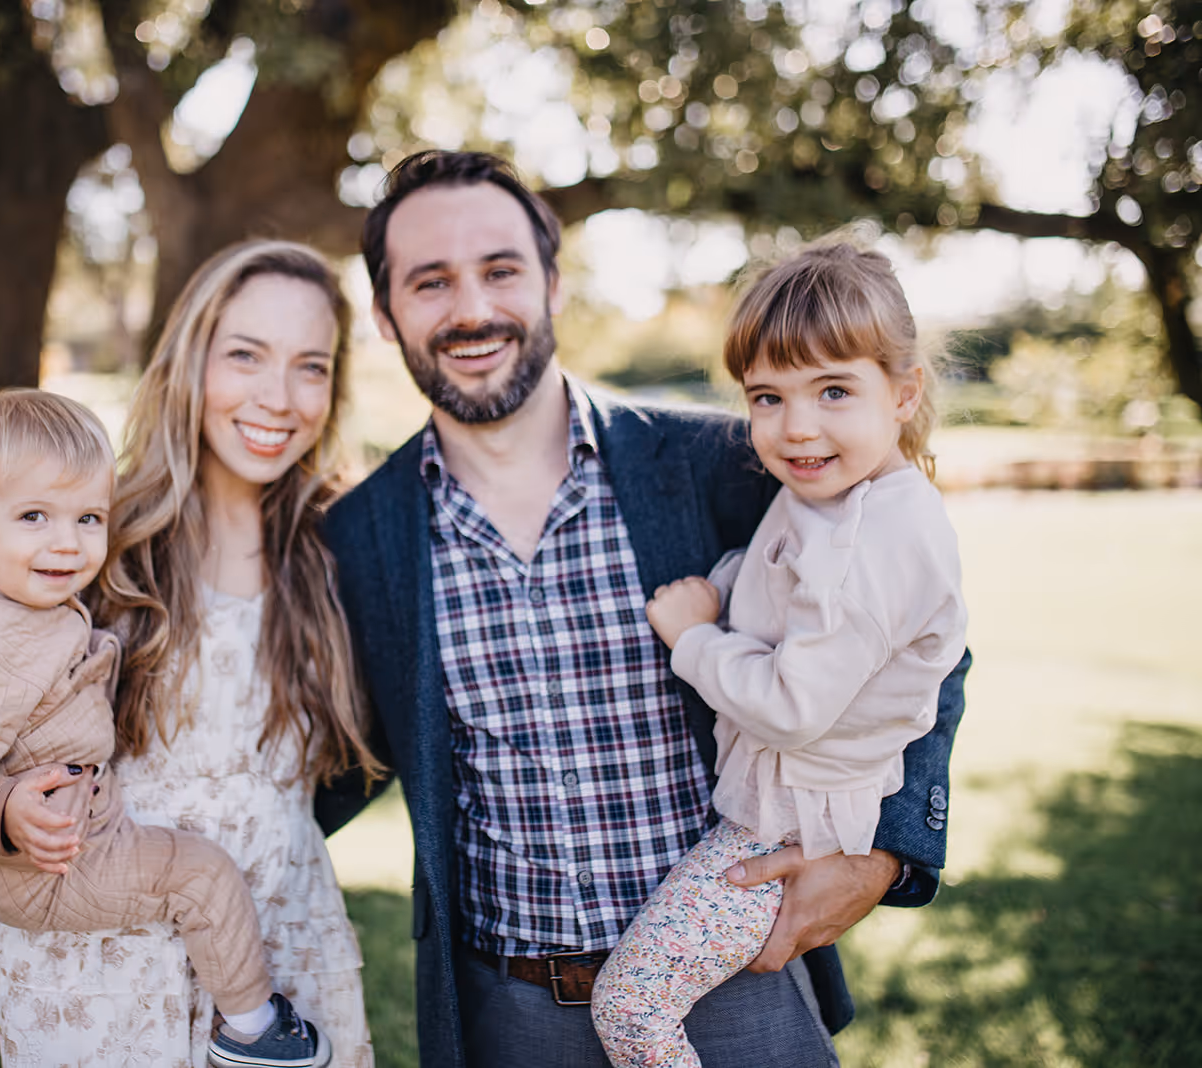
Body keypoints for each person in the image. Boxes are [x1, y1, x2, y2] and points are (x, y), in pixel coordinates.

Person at [315, 150, 971, 1068]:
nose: (471, 308)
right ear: (387, 315)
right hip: (509, 1014)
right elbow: (332, 757)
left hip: (732, 981)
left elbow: (922, 644)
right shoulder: (359, 535)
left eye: (501, 270)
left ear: (552, 282)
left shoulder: (728, 462)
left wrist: (887, 858)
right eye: (431, 282)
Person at [0, 241, 383, 1067]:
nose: (278, 397)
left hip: (283, 933)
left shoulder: (341, 546)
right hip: (105, 947)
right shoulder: (96, 535)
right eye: (245, 356)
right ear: (190, 360)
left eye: (311, 366)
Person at [0, 388, 336, 1068]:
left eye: (87, 516)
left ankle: (2, 956)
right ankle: (253, 1028)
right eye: (32, 516)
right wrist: (5, 809)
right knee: (201, 874)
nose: (66, 542)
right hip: (48, 862)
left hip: (8, 859)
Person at [589, 243, 968, 1066]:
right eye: (768, 396)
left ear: (904, 393)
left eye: (834, 389)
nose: (797, 425)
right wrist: (726, 584)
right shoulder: (831, 493)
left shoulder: (877, 539)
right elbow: (782, 578)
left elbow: (793, 707)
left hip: (783, 829)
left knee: (631, 1005)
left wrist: (694, 638)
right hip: (773, 808)